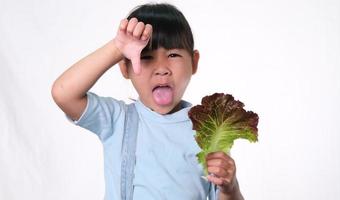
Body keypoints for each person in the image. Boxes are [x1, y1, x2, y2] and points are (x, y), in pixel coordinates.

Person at [51, 3, 244, 200]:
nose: (161, 68)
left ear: (194, 62)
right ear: (125, 68)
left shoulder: (209, 131)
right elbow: (63, 93)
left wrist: (231, 189)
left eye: (173, 55)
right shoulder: (118, 120)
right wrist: (117, 48)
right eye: (146, 57)